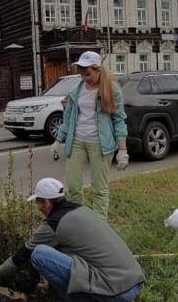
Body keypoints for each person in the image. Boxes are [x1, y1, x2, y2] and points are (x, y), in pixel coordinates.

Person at [0, 177, 145, 301]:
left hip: (115, 292)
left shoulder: (54, 223)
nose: (38, 209)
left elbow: (23, 255)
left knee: (39, 253)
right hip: (134, 282)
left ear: (46, 203)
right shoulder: (82, 210)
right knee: (60, 250)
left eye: (38, 204)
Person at [51, 51, 129, 220]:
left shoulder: (111, 90)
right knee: (72, 187)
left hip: (100, 145)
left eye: (88, 74)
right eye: (81, 74)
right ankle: (78, 222)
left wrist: (122, 150)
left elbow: (119, 121)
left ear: (98, 70)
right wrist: (58, 140)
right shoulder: (76, 90)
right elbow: (69, 117)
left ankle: (99, 226)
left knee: (99, 189)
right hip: (77, 142)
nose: (84, 78)